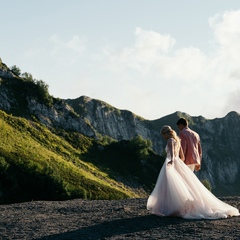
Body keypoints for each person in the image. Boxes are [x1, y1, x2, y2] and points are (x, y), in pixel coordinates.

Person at [147, 125, 239, 219]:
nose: (163, 137)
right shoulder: (177, 140)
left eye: (163, 135)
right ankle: (175, 206)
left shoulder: (170, 140)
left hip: (171, 163)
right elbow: (182, 157)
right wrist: (179, 164)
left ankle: (167, 207)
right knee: (179, 185)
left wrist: (171, 162)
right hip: (177, 162)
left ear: (166, 133)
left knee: (168, 186)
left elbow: (172, 153)